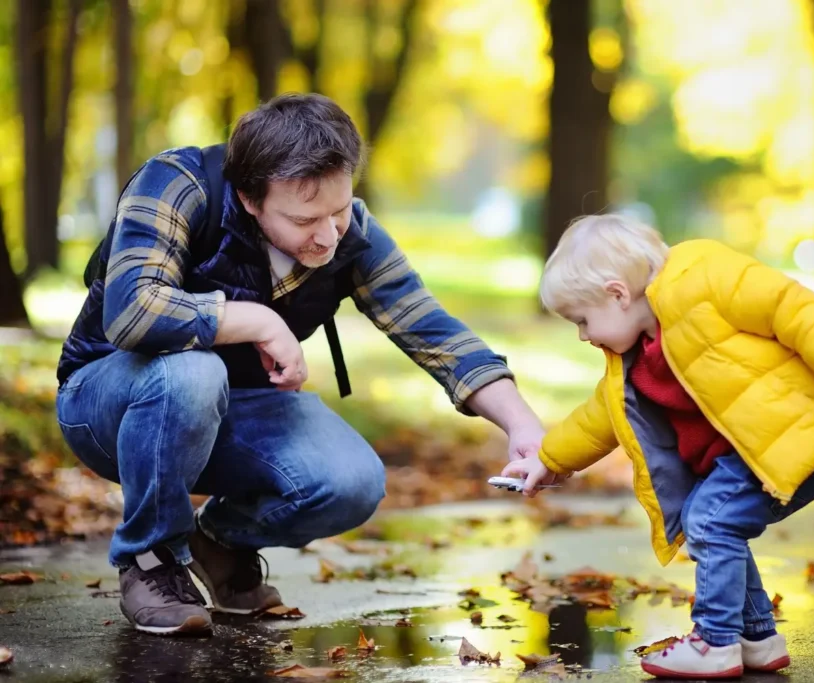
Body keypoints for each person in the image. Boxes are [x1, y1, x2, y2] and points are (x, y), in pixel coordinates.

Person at [55, 93, 546, 636]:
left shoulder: (349, 234)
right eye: (305, 219)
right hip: (109, 402)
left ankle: (218, 543)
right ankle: (151, 559)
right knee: (194, 372)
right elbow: (131, 310)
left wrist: (521, 425)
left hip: (233, 409)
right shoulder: (177, 183)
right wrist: (257, 321)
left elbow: (433, 329)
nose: (329, 235)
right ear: (249, 197)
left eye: (340, 210)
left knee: (352, 481)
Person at [502, 215, 814, 679]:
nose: (583, 335)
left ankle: (714, 641)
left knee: (710, 520)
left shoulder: (701, 277)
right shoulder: (633, 358)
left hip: (794, 437)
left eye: (582, 321)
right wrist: (547, 460)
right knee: (713, 521)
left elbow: (790, 306)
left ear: (617, 294)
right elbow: (598, 418)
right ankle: (756, 637)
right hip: (748, 456)